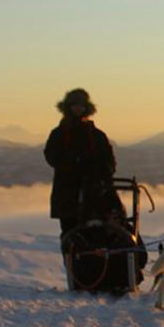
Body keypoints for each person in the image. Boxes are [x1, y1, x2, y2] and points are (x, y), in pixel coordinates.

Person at [44, 88, 117, 237]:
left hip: (95, 193)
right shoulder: (59, 134)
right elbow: (51, 156)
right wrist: (72, 163)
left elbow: (109, 161)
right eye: (75, 105)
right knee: (70, 234)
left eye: (81, 105)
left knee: (97, 234)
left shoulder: (96, 135)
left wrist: (100, 174)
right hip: (67, 192)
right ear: (68, 107)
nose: (78, 108)